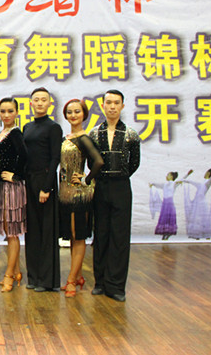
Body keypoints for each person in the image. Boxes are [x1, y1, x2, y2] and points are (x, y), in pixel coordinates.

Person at [89, 89, 141, 302]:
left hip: (121, 187)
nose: (112, 107)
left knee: (119, 237)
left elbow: (134, 162)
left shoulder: (131, 134)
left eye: (116, 103)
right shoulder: (94, 133)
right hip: (100, 187)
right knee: (101, 234)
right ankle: (100, 282)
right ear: (103, 106)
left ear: (122, 106)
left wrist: (120, 176)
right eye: (108, 102)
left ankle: (116, 285)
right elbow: (91, 162)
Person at [58, 99, 103, 298]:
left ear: (84, 114)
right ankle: (77, 276)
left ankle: (71, 280)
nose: (73, 115)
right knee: (71, 236)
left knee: (79, 237)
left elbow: (99, 162)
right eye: (69, 112)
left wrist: (86, 179)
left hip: (79, 195)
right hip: (64, 193)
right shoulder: (66, 137)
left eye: (77, 111)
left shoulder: (85, 138)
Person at [23, 87, 62, 292]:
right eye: (36, 100)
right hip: (29, 181)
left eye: (43, 100)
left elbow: (55, 158)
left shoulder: (53, 127)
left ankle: (47, 280)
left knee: (46, 231)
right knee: (32, 231)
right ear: (31, 103)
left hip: (45, 181)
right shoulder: (27, 127)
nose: (39, 103)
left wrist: (46, 187)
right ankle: (33, 276)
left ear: (49, 103)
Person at [0, 98, 27, 293]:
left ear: (16, 113)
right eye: (3, 111)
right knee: (8, 230)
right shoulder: (2, 133)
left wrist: (16, 175)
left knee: (12, 232)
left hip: (11, 188)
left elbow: (25, 156)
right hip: (0, 186)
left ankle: (8, 275)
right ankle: (16, 272)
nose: (6, 115)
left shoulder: (15, 133)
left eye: (10, 111)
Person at [150, 171, 189, 240]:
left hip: (169, 203)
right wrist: (152, 184)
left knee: (169, 217)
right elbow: (157, 184)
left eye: (168, 175)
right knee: (164, 217)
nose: (166, 176)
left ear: (171, 176)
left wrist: (187, 174)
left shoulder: (174, 183)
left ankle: (169, 232)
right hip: (165, 203)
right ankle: (164, 232)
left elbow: (182, 179)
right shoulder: (165, 184)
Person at [183, 168, 211, 240]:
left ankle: (206, 235)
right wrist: (187, 174)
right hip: (196, 203)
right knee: (197, 219)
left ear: (208, 173)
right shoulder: (201, 183)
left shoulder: (207, 183)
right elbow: (188, 181)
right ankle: (197, 235)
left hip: (202, 204)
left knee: (203, 219)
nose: (205, 173)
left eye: (206, 172)